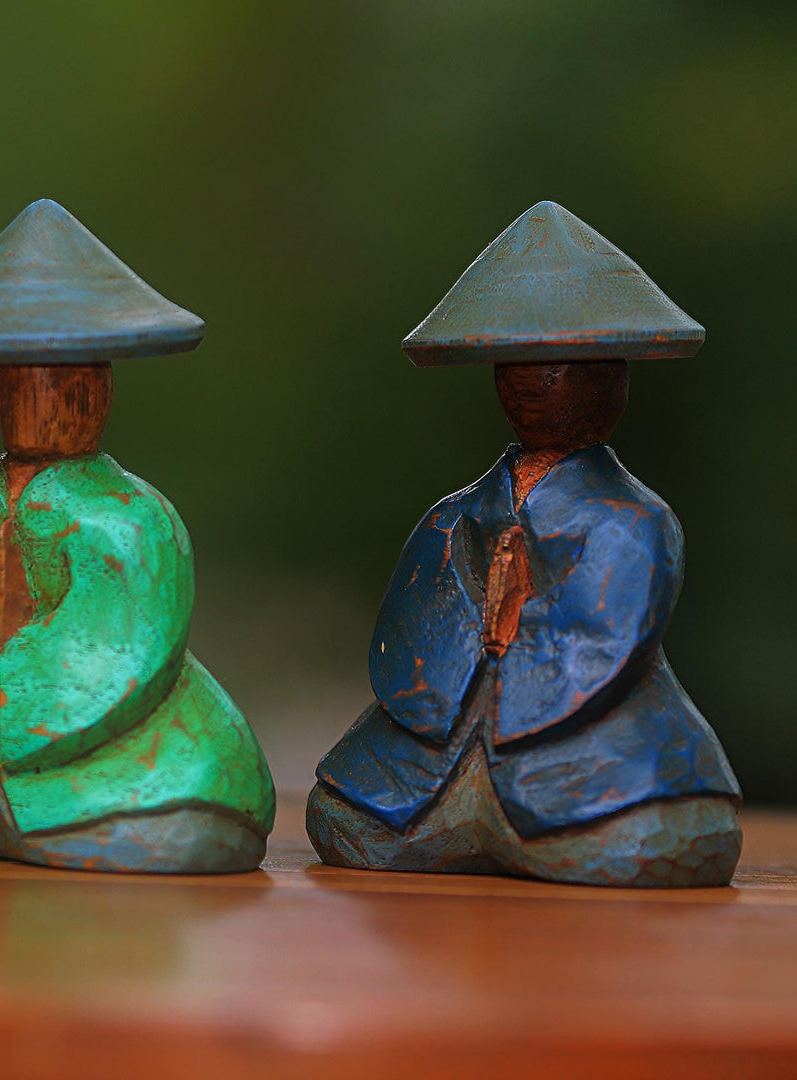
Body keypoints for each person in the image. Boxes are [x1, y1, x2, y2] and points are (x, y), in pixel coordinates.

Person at [0, 200, 275, 873]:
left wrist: (22, 659)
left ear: (98, 393)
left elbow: (128, 645)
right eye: (20, 387)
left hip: (105, 736)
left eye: (63, 387)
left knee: (182, 810)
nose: (37, 405)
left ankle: (60, 807)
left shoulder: (131, 517)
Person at [307, 202, 741, 886]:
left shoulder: (634, 520)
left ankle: (532, 818)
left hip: (582, 724)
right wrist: (471, 640)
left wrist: (513, 635)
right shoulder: (456, 515)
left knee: (655, 830)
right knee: (346, 811)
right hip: (449, 723)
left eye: (565, 372)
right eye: (521, 373)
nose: (540, 388)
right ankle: (476, 815)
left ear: (611, 382)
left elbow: (608, 634)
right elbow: (410, 627)